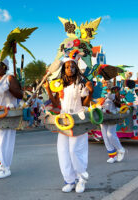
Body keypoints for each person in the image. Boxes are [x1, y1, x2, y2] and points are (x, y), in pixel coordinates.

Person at [44, 57, 93, 193]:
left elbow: (85, 103)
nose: (70, 69)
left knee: (75, 150)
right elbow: (55, 104)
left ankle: (81, 178)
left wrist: (91, 91)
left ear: (76, 68)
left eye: (72, 66)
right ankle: (69, 180)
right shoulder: (60, 85)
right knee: (63, 151)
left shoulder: (81, 84)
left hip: (77, 120)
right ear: (63, 70)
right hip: (63, 121)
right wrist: (48, 90)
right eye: (66, 67)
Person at [100, 86, 126, 163]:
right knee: (105, 136)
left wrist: (113, 99)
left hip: (113, 116)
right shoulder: (103, 93)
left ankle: (120, 149)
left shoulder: (116, 94)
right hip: (103, 116)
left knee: (110, 134)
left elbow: (119, 105)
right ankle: (112, 155)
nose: (105, 83)